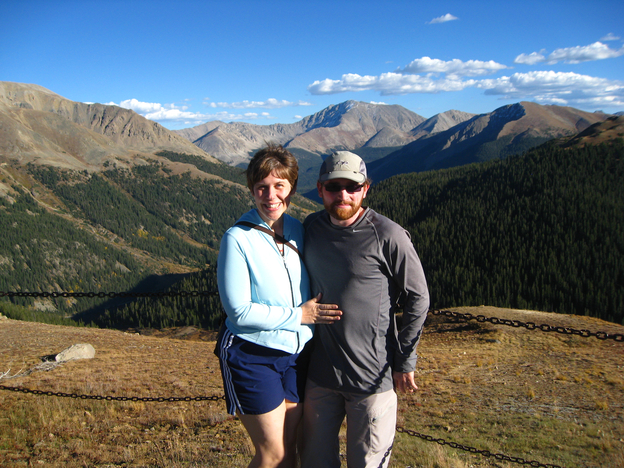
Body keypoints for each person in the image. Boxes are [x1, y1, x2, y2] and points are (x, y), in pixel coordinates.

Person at [215, 143, 342, 468]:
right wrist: (299, 315)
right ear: (252, 190)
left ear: (292, 188)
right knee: (272, 453)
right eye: (261, 187)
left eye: (279, 186)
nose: (270, 196)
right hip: (252, 355)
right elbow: (239, 312)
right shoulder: (238, 238)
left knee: (290, 449)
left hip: (296, 356)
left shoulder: (300, 229)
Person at [301, 151, 430, 468]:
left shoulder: (388, 235)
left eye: (352, 187)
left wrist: (405, 358)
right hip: (321, 376)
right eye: (334, 187)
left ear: (366, 189)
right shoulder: (311, 227)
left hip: (372, 379)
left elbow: (419, 297)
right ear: (320, 189)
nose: (343, 195)